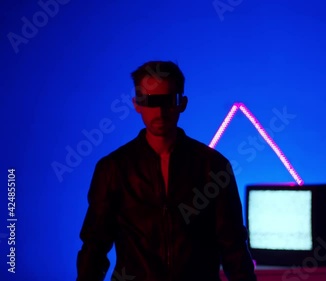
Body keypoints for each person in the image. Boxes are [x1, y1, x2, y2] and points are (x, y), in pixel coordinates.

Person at [76, 61, 256, 281]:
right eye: (151, 101)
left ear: (182, 103)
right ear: (137, 104)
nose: (160, 112)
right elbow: (95, 246)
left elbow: (233, 245)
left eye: (167, 101)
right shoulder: (114, 168)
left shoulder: (213, 166)